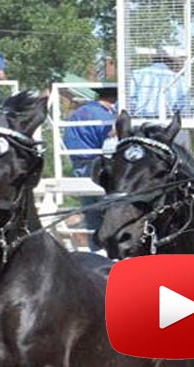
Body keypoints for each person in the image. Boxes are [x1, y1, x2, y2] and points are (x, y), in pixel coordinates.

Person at [64, 86, 118, 251]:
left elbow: (67, 138)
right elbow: (108, 141)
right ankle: (110, 251)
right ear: (113, 99)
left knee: (90, 213)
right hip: (97, 165)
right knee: (108, 210)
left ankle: (96, 250)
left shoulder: (76, 114)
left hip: (78, 165)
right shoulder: (104, 117)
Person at [129, 46, 189, 118]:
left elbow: (130, 99)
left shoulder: (136, 74)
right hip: (168, 122)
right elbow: (182, 105)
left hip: (140, 122)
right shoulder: (179, 79)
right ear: (172, 61)